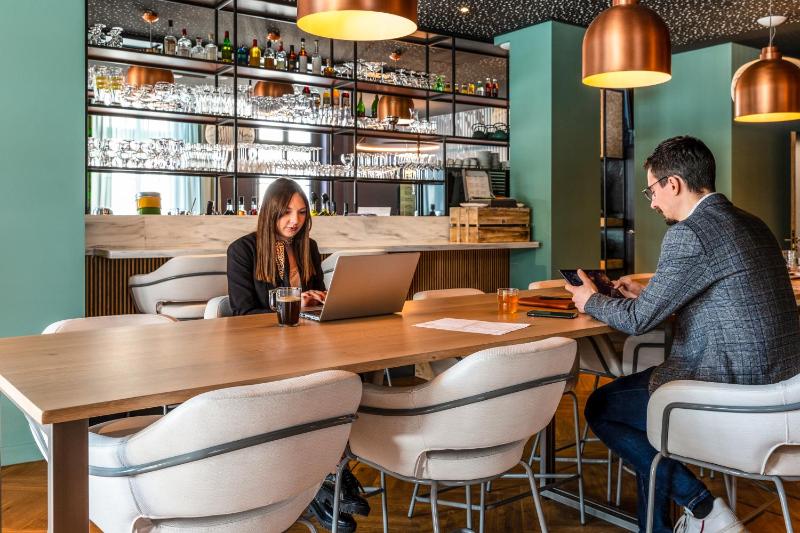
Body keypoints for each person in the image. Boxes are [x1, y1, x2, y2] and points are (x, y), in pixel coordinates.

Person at [566, 136, 800, 533]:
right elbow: (721, 299)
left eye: (651, 191)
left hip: (733, 389)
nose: (652, 203)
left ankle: (703, 508)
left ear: (672, 183)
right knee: (650, 415)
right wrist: (651, 295)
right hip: (784, 388)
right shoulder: (753, 223)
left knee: (602, 407)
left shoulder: (689, 233)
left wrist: (590, 300)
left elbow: (637, 321)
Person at [226, 178, 369, 532]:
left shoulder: (309, 246)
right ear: (269, 212)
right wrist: (292, 304)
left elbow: (317, 293)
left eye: (302, 213)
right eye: (286, 212)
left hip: (308, 345)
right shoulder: (243, 250)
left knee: (344, 380)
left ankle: (327, 476)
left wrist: (320, 298)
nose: (295, 220)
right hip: (263, 352)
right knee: (324, 388)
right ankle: (328, 478)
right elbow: (243, 313)